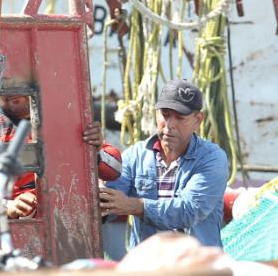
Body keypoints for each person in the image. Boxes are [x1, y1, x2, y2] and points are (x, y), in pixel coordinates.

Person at [97, 78, 228, 249]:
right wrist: (94, 156)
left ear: (198, 120)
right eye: (165, 115)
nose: (169, 125)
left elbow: (189, 210)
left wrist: (134, 206)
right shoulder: (135, 155)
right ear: (156, 113)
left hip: (196, 268)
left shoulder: (212, 158)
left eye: (180, 118)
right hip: (148, 269)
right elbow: (107, 203)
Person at [0, 94, 104, 220]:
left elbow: (113, 170)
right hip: (14, 224)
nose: (11, 91)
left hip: (66, 213)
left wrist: (95, 150)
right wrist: (6, 207)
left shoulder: (64, 119)